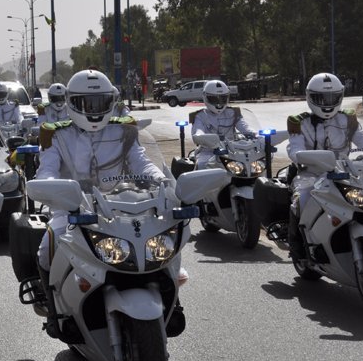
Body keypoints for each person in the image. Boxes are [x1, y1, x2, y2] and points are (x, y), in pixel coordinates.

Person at [34, 69, 170, 340]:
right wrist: (51, 187)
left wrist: (161, 180)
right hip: (73, 207)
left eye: (100, 103)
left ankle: (169, 299)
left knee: (161, 242)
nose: (94, 110)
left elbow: (141, 162)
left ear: (111, 101)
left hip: (121, 204)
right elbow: (46, 169)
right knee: (47, 247)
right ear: (72, 103)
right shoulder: (58, 135)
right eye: (86, 104)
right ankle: (53, 308)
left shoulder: (123, 130)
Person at [286, 72, 363, 261]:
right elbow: (294, 148)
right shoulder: (299, 121)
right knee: (302, 199)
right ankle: (297, 247)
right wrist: (301, 156)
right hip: (311, 174)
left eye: (332, 97)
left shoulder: (347, 119)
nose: (327, 103)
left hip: (345, 173)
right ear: (310, 97)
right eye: (321, 98)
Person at [190, 79, 257, 168]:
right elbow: (198, 131)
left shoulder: (233, 113)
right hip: (208, 151)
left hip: (232, 151)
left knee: (253, 165)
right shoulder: (200, 116)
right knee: (202, 165)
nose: (219, 103)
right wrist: (200, 136)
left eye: (222, 99)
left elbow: (244, 127)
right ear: (205, 97)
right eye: (214, 99)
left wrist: (256, 134)